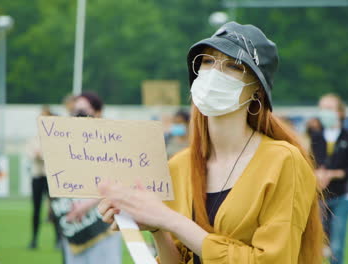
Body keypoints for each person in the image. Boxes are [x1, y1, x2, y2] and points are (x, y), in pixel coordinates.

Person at [98, 21, 325, 264]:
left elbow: (273, 260)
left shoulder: (283, 161)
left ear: (257, 90)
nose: (214, 73)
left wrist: (169, 219)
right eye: (207, 61)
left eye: (232, 65)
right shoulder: (179, 166)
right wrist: (156, 227)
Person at [50, 91, 123, 264]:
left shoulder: (111, 143)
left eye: (85, 109)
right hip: (75, 221)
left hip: (101, 220)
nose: (80, 114)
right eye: (76, 110)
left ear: (98, 112)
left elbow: (116, 182)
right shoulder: (65, 143)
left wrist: (86, 206)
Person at [310, 94, 348, 264]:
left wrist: (331, 174)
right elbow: (312, 163)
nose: (325, 113)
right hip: (320, 199)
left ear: (339, 112)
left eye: (329, 108)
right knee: (318, 246)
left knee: (337, 247)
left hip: (341, 199)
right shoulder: (316, 137)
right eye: (322, 108)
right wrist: (316, 174)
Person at [26, 105, 61, 249]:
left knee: (56, 209)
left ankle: (59, 239)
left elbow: (54, 155)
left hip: (51, 177)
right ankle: (34, 239)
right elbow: (32, 154)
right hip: (38, 176)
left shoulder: (56, 137)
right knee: (36, 209)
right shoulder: (35, 138)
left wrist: (42, 155)